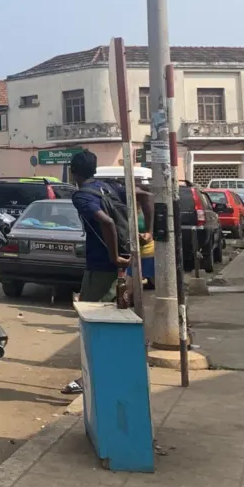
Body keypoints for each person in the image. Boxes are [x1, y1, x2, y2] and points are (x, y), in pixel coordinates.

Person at [62, 149, 151, 395]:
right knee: (117, 319)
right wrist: (149, 232)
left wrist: (112, 257)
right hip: (125, 264)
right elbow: (145, 197)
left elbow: (107, 222)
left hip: (102, 267)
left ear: (73, 171)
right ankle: (114, 371)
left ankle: (92, 377)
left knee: (93, 324)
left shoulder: (81, 196)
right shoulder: (110, 187)